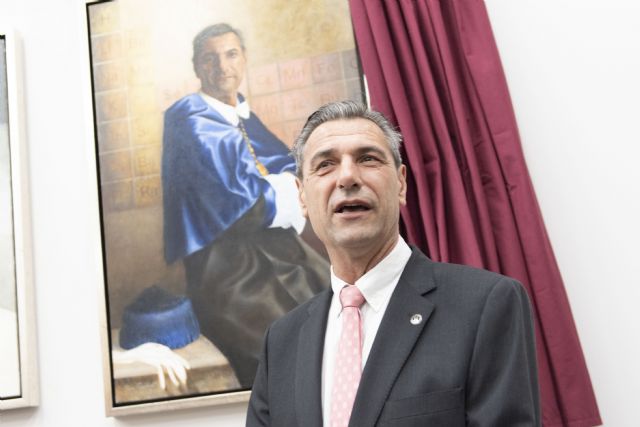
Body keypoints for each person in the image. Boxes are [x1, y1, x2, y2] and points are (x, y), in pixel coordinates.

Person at [246, 101, 540, 426]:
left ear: (401, 183)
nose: (347, 177)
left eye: (367, 159)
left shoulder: (486, 304)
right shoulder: (282, 341)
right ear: (301, 196)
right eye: (326, 164)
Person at [162, 23, 329, 388]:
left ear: (245, 59)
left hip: (275, 250)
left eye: (231, 54)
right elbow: (239, 203)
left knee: (335, 306)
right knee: (283, 347)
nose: (223, 67)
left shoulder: (238, 112)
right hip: (227, 271)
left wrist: (298, 182)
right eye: (211, 58)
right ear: (197, 68)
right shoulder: (190, 122)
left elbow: (284, 163)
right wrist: (291, 190)